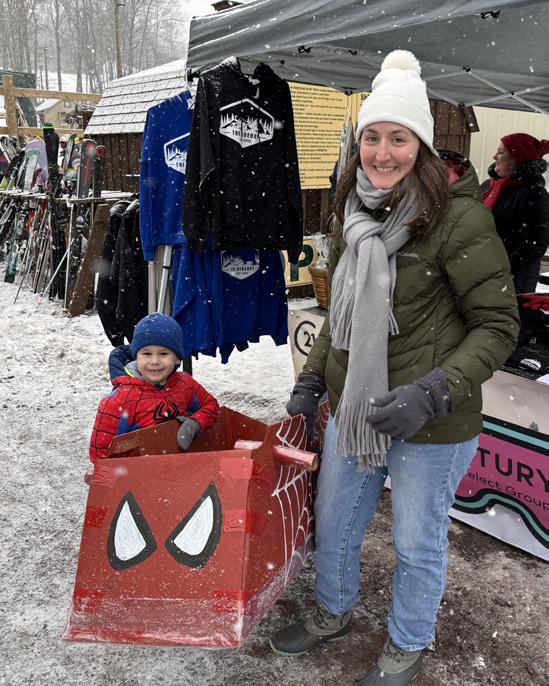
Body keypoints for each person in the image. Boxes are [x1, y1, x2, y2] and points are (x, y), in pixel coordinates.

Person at [269, 50, 519, 685]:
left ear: (422, 146)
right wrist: (312, 375)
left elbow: (498, 326)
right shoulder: (351, 214)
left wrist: (432, 391)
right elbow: (343, 311)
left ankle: (407, 642)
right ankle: (332, 611)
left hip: (431, 419)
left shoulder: (459, 219)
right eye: (372, 137)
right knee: (335, 522)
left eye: (398, 138)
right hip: (356, 407)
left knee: (415, 541)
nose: (383, 153)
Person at [89, 312, 219, 462]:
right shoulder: (119, 401)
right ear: (136, 357)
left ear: (177, 358)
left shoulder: (185, 384)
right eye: (147, 354)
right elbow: (100, 452)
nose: (155, 361)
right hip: (139, 473)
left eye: (163, 354)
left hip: (182, 467)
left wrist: (194, 424)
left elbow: (211, 405)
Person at [482, 133, 549, 294]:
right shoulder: (490, 187)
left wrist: (503, 269)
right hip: (483, 271)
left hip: (512, 281)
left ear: (516, 159)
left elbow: (535, 243)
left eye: (501, 152)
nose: (494, 156)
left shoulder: (533, 193)